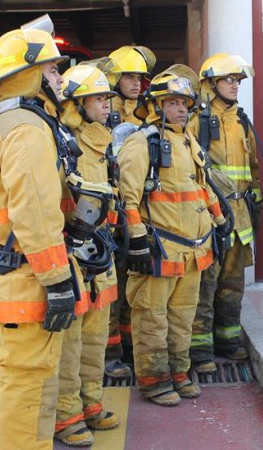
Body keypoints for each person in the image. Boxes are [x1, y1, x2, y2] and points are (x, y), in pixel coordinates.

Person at [0, 16, 89, 450]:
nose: (60, 78)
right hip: (26, 281)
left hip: (16, 278)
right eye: (53, 69)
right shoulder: (26, 128)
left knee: (33, 385)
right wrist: (58, 280)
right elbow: (35, 216)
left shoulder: (10, 121)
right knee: (25, 392)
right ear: (31, 73)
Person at [117, 64, 230, 406]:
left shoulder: (189, 142)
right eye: (173, 102)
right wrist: (137, 238)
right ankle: (154, 380)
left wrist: (220, 219)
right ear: (156, 105)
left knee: (183, 316)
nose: (181, 108)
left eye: (185, 102)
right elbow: (128, 197)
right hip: (160, 249)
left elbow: (200, 186)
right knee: (152, 316)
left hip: (194, 250)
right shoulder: (141, 143)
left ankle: (179, 372)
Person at [53, 62, 122, 447]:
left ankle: (90, 404)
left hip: (102, 251)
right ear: (77, 104)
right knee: (71, 341)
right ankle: (66, 416)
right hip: (74, 254)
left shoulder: (103, 141)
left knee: (96, 336)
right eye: (98, 98)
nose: (107, 105)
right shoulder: (62, 140)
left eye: (107, 98)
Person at [187, 53, 260, 373]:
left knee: (233, 281)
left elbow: (255, 167)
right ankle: (200, 349)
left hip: (240, 214)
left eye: (238, 81)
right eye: (229, 80)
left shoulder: (242, 120)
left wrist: (260, 195)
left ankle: (228, 340)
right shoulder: (196, 120)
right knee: (207, 281)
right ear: (210, 84)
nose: (235, 86)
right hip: (210, 215)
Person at [104, 45, 156, 379]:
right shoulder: (103, 112)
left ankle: (129, 347)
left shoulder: (149, 114)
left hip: (139, 210)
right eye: (129, 76)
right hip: (111, 212)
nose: (136, 83)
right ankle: (109, 354)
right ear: (115, 79)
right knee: (112, 284)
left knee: (134, 285)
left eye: (140, 77)